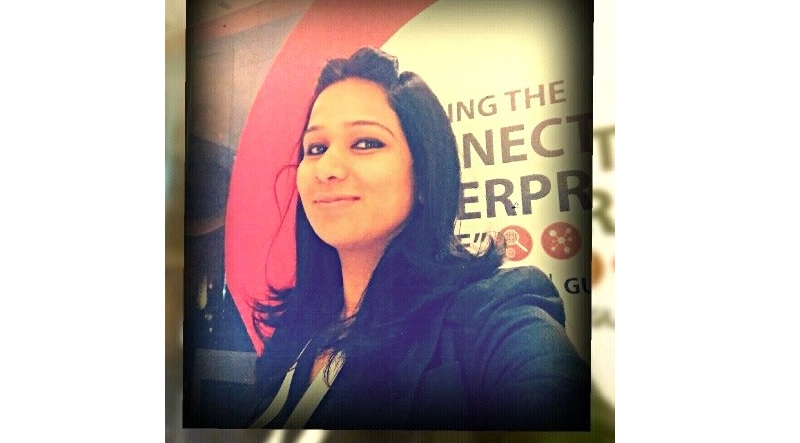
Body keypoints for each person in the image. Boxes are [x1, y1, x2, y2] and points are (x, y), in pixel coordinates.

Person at [244, 47, 589, 430]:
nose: (326, 167)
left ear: (425, 174)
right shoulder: (298, 326)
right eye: (316, 148)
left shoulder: (490, 312)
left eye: (366, 143)